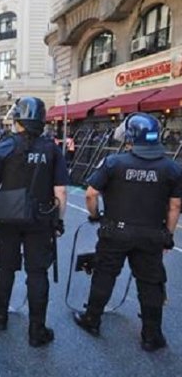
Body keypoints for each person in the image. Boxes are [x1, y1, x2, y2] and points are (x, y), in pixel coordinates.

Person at [74, 113, 182, 352]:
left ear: (131, 137)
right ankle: (151, 335)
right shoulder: (172, 168)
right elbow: (175, 206)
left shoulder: (114, 163)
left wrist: (95, 215)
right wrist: (168, 235)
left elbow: (91, 193)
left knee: (105, 274)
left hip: (116, 231)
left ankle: (92, 319)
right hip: (151, 234)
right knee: (151, 284)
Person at [0, 97, 68, 347]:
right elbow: (61, 192)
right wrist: (58, 221)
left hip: (9, 216)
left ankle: (0, 315)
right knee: (37, 272)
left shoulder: (5, 146)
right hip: (40, 219)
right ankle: (36, 330)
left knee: (5, 267)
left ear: (18, 119)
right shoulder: (52, 149)